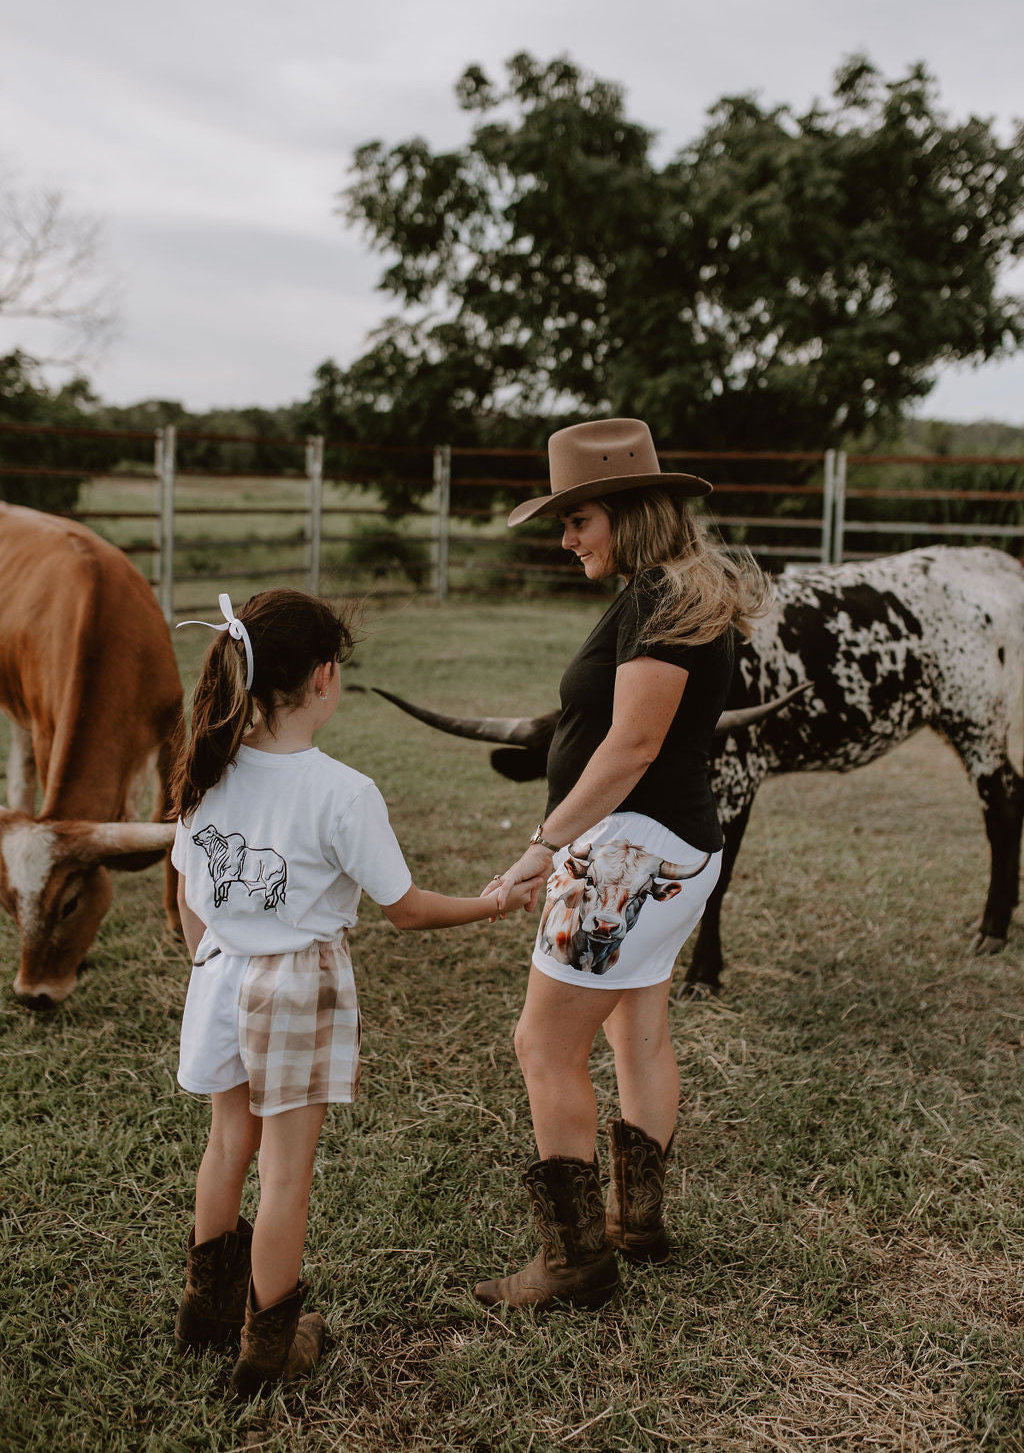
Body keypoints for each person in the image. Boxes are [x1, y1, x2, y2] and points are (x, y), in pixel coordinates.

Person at [168, 588, 535, 1396]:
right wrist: (495, 901)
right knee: (286, 1175)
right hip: (296, 986)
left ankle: (203, 1313)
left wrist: (213, 964)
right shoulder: (343, 792)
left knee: (228, 1145)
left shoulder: (206, 768)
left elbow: (192, 900)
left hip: (220, 974)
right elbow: (405, 910)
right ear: (325, 676)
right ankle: (268, 1345)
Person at [475, 417, 773, 1311]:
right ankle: (634, 1222)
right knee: (635, 1026)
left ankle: (573, 1264)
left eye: (580, 519)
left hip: (627, 860)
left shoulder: (659, 603)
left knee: (543, 1042)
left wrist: (542, 845)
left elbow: (632, 745)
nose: (566, 539)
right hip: (672, 851)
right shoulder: (682, 591)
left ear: (633, 511)